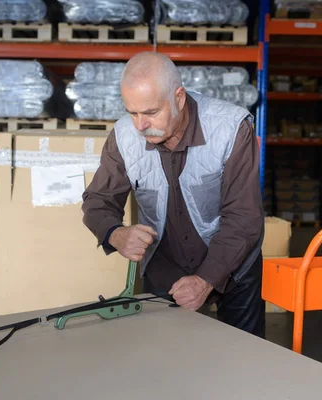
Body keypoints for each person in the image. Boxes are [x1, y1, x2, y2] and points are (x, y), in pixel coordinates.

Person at [81, 52, 266, 338]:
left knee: (243, 360)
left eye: (152, 112)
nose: (140, 125)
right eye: (132, 112)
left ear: (178, 98)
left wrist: (206, 280)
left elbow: (244, 217)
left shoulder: (230, 128)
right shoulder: (123, 136)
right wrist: (115, 234)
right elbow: (97, 201)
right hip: (164, 269)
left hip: (233, 267)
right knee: (163, 364)